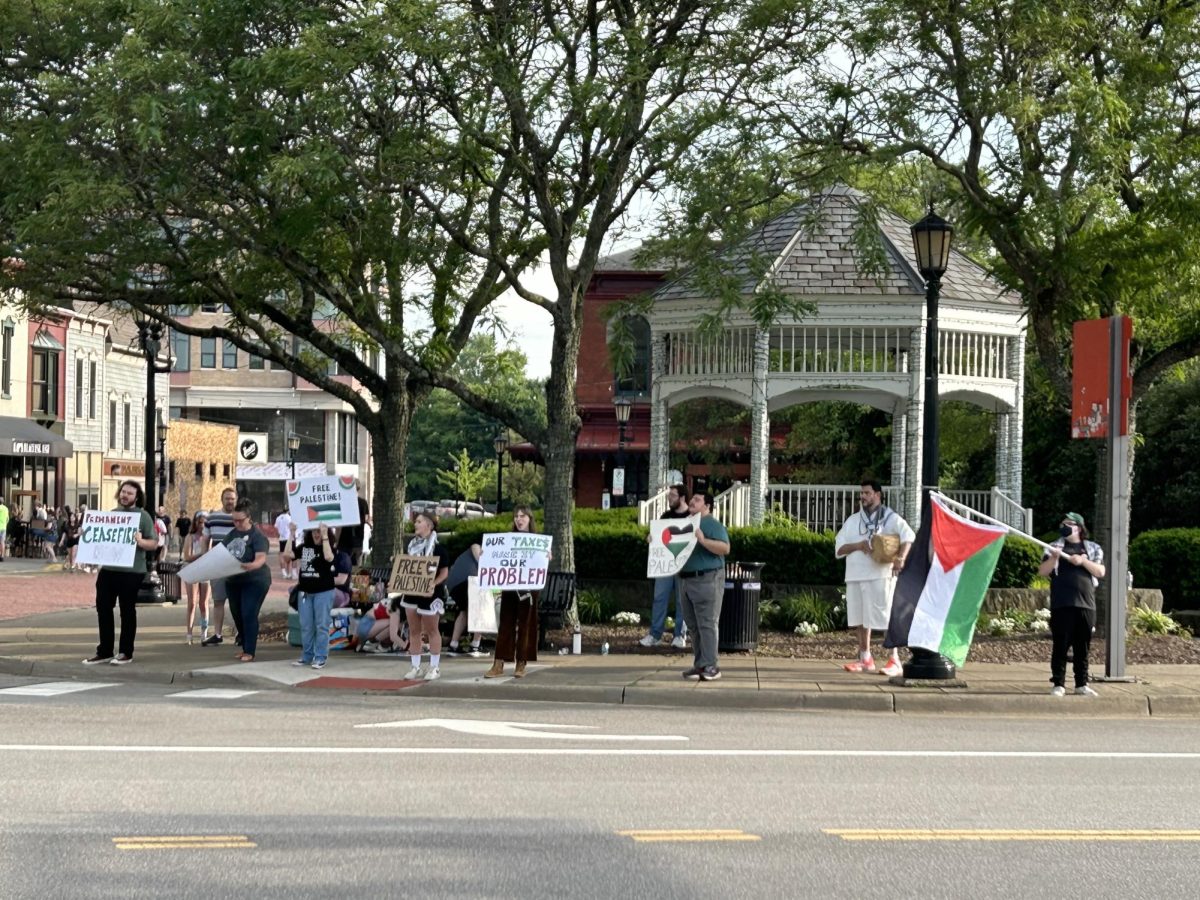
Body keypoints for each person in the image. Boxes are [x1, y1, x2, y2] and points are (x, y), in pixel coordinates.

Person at [834, 479, 915, 677]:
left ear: (877, 495)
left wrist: (901, 558)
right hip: (855, 575)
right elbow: (839, 549)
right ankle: (865, 658)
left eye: (867, 493)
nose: (863, 496)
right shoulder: (853, 520)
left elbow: (909, 536)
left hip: (880, 575)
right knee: (860, 619)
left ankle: (894, 659)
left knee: (885, 617)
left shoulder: (890, 518)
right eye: (862, 493)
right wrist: (858, 545)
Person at [82, 480, 159, 666]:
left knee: (127, 610)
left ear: (137, 497)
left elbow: (154, 543)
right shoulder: (112, 515)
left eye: (130, 493)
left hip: (131, 571)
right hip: (108, 569)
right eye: (123, 492)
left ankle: (126, 651)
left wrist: (141, 542)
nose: (125, 495)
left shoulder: (143, 516)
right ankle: (105, 650)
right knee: (103, 608)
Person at [1039, 512, 1106, 697]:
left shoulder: (1092, 548)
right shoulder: (1053, 547)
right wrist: (1054, 558)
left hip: (1086, 604)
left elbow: (1100, 571)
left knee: (1082, 646)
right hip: (1062, 603)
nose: (1065, 526)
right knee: (1060, 645)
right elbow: (1043, 572)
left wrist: (1082, 560)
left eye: (1070, 523)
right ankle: (1058, 683)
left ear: (1079, 527)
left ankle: (1081, 684)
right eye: (1063, 523)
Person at [675, 492, 731, 682]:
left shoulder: (711, 524)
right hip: (685, 580)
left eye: (697, 500)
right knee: (693, 625)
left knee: (707, 623)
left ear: (707, 506)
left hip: (707, 579)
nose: (692, 501)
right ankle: (700, 664)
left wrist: (703, 540)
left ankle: (711, 665)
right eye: (692, 499)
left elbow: (725, 548)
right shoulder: (685, 523)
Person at [485, 506, 544, 679]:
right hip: (510, 586)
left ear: (529, 519)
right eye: (516, 516)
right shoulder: (507, 540)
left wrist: (545, 557)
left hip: (528, 588)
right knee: (505, 622)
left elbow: (540, 564)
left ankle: (521, 662)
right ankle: (499, 662)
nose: (519, 519)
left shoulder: (537, 541)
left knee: (526, 624)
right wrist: (486, 555)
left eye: (522, 516)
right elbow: (496, 558)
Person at [283, 521, 352, 670]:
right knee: (306, 625)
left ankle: (320, 656)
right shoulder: (304, 548)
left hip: (323, 591)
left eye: (318, 531)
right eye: (314, 531)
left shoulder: (329, 548)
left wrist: (325, 536)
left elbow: (328, 557)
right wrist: (292, 534)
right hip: (305, 592)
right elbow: (287, 555)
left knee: (321, 625)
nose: (316, 534)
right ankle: (307, 656)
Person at [395, 511, 450, 680]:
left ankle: (434, 667)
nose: (416, 524)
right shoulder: (411, 547)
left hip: (431, 594)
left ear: (429, 525)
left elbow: (444, 572)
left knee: (432, 630)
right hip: (412, 592)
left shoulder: (439, 549)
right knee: (414, 630)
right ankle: (415, 666)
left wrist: (433, 583)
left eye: (419, 521)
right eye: (416, 522)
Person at [640, 483, 691, 649]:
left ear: (682, 497)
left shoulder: (691, 517)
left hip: (683, 566)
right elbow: (657, 536)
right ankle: (655, 634)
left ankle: (680, 635)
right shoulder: (666, 516)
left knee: (681, 600)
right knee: (659, 597)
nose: (670, 499)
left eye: (673, 496)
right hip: (664, 565)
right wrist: (651, 538)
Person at [222, 498, 272, 662]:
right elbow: (221, 553)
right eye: (234, 520)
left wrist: (252, 565)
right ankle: (244, 645)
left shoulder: (257, 536)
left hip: (255, 580)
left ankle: (250, 650)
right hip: (234, 581)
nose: (236, 523)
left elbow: (260, 558)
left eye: (240, 520)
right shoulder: (232, 535)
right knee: (237, 613)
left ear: (248, 518)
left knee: (248, 612)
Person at [200, 487, 238, 646]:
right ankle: (217, 633)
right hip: (218, 564)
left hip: (237, 565)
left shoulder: (240, 518)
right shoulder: (212, 517)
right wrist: (205, 558)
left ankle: (240, 634)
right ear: (222, 500)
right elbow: (205, 539)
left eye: (232, 498)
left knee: (238, 602)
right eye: (227, 498)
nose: (230, 501)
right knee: (218, 600)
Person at [183, 511, 209, 644]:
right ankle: (189, 633)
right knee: (192, 602)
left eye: (205, 522)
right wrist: (201, 555)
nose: (202, 525)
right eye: (200, 522)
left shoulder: (208, 537)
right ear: (195, 523)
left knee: (203, 603)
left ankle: (204, 633)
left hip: (205, 571)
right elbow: (187, 556)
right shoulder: (190, 537)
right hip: (192, 569)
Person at [337, 481, 371, 565]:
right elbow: (367, 519)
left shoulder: (343, 502)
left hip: (344, 540)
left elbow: (339, 525)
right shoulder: (363, 502)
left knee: (343, 566)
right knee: (356, 567)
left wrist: (336, 541)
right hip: (358, 539)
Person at [274, 508, 295, 579]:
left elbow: (276, 528)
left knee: (282, 554)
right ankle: (291, 572)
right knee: (291, 554)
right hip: (289, 538)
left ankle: (284, 572)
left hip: (282, 539)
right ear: (288, 511)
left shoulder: (278, 518)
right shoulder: (290, 518)